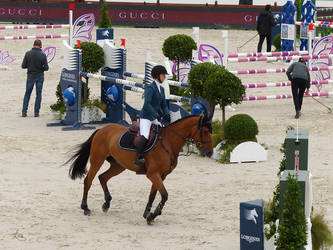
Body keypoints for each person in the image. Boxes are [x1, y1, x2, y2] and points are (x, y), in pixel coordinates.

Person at [134, 65, 170, 168]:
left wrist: (166, 114)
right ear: (157, 76)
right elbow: (147, 104)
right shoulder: (150, 88)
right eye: (163, 75)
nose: (165, 77)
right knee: (145, 135)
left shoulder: (162, 89)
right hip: (146, 117)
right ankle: (138, 157)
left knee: (163, 132)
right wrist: (156, 115)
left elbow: (163, 105)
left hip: (155, 117)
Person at [21, 39, 49, 117]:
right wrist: (41, 68)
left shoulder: (28, 53)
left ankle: (24, 112)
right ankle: (36, 113)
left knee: (27, 94)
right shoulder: (43, 55)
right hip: (39, 76)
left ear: (33, 45)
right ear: (40, 46)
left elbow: (23, 66)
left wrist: (30, 66)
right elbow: (46, 68)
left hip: (30, 76)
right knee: (38, 94)